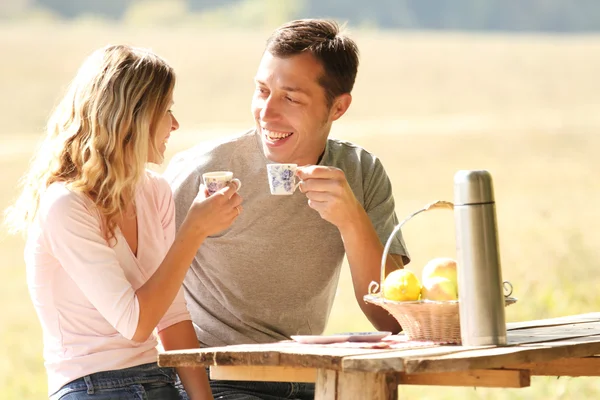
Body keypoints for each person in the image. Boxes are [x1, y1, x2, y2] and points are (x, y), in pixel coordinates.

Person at [164, 19, 409, 399]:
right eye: (262, 91)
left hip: (315, 381)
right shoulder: (203, 172)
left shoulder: (361, 172)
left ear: (338, 107)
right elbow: (141, 297)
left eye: (290, 98)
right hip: (220, 383)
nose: (267, 112)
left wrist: (352, 221)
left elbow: (393, 320)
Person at [4, 45, 243, 400]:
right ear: (132, 119)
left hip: (158, 382)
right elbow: (136, 323)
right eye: (167, 111)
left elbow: (173, 316)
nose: (175, 124)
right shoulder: (65, 206)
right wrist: (194, 231)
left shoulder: (154, 191)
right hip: (90, 387)